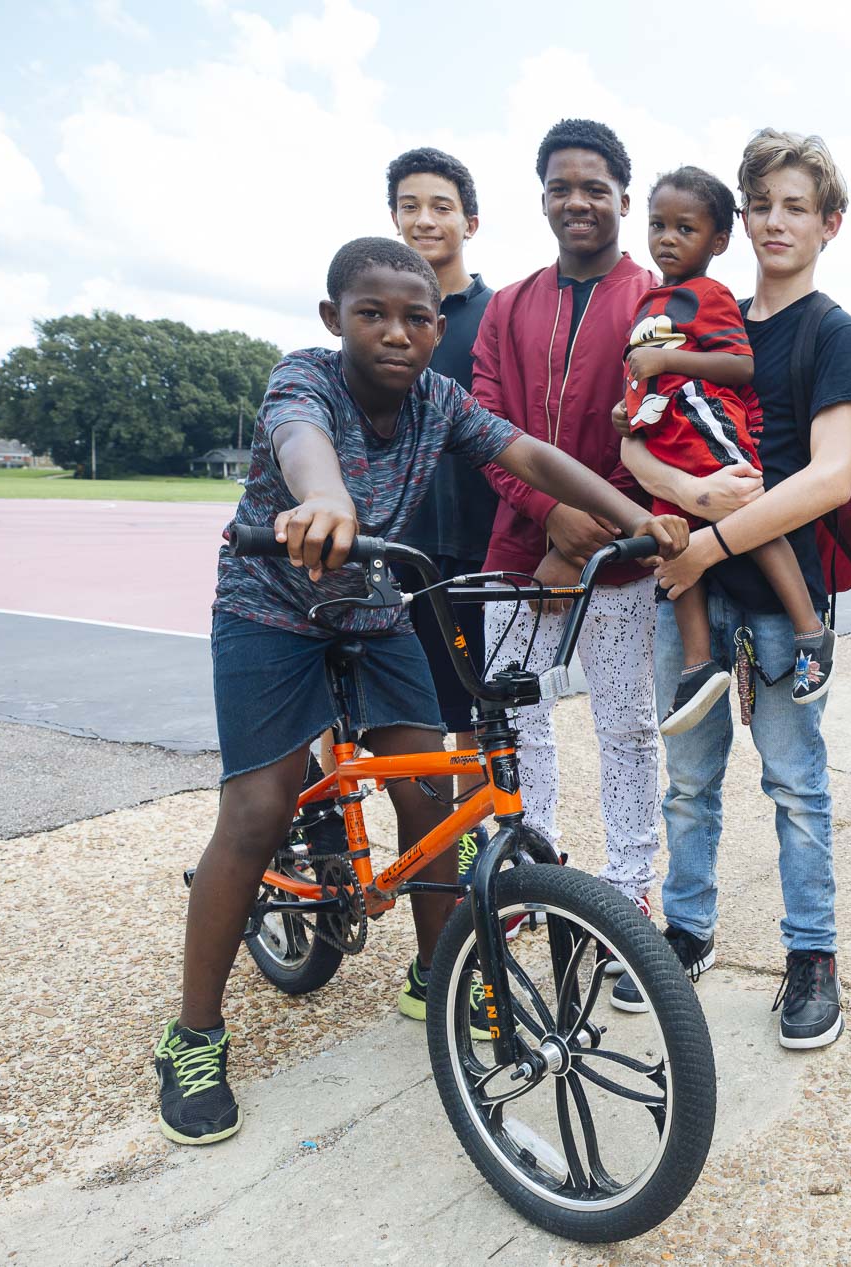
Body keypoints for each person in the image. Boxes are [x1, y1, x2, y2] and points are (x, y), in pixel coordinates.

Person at [154, 237, 685, 1146]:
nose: (395, 333)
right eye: (372, 314)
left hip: (371, 602)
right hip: (269, 607)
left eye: (414, 317)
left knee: (430, 782)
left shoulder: (440, 400)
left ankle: (440, 974)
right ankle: (193, 1033)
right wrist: (325, 504)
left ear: (439, 329)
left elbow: (533, 457)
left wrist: (636, 516)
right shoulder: (303, 381)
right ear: (335, 320)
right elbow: (302, 446)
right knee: (256, 805)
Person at [618, 129, 851, 1048]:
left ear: (828, 224)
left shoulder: (832, 333)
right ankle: (683, 930)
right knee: (686, 779)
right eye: (761, 203)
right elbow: (633, 437)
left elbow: (829, 475)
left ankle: (812, 955)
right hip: (692, 583)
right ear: (739, 218)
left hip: (777, 589)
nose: (776, 221)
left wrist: (713, 539)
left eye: (796, 206)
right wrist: (686, 497)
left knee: (794, 783)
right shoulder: (698, 313)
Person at [470, 119, 663, 922]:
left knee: (626, 725)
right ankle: (528, 869)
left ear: (624, 195)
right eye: (560, 187)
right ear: (542, 198)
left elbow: (662, 422)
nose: (576, 201)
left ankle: (629, 885)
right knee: (516, 719)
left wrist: (586, 532)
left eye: (593, 187)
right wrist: (548, 516)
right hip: (516, 549)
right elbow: (479, 422)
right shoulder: (509, 305)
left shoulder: (655, 299)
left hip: (617, 557)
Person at [621, 165, 833, 736]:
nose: (667, 238)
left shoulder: (708, 297)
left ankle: (809, 628)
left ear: (718, 240)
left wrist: (666, 363)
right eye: (657, 225)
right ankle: (697, 664)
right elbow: (643, 379)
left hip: (704, 429)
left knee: (749, 514)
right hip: (664, 440)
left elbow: (739, 367)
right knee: (670, 544)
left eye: (683, 228)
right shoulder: (650, 301)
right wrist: (631, 409)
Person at [383, 146, 498, 880]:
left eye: (441, 205)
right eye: (409, 206)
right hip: (400, 550)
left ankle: (476, 865)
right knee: (417, 729)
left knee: (482, 725)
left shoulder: (497, 312)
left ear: (471, 221)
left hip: (487, 547)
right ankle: (435, 869)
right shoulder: (382, 316)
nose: (425, 219)